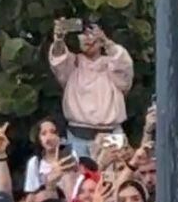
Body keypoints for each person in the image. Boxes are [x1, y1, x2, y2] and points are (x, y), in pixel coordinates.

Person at [49, 18, 134, 159]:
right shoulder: (72, 64)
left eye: (92, 32)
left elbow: (124, 66)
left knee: (113, 177)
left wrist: (106, 42)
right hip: (78, 135)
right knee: (79, 178)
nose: (88, 38)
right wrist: (58, 39)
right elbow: (58, 60)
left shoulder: (112, 63)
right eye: (83, 34)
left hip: (111, 135)